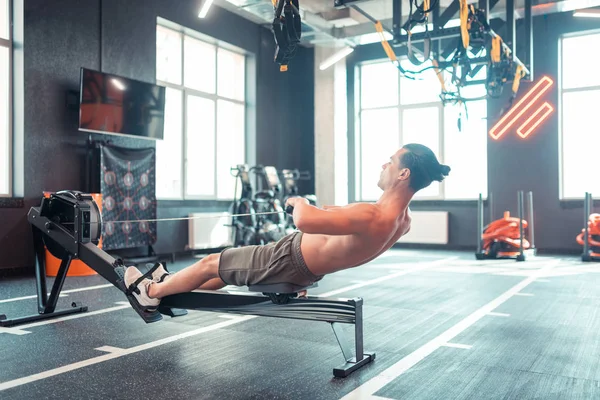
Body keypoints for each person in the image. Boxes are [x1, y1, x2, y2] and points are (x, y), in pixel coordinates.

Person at [123, 143, 451, 313]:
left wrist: (299, 201)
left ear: (404, 175)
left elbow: (305, 220)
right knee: (222, 274)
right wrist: (320, 210)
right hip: (307, 272)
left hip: (289, 259)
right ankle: (171, 286)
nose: (384, 165)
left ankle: (151, 292)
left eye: (391, 162)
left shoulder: (373, 214)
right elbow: (346, 226)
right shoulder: (402, 222)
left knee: (213, 261)